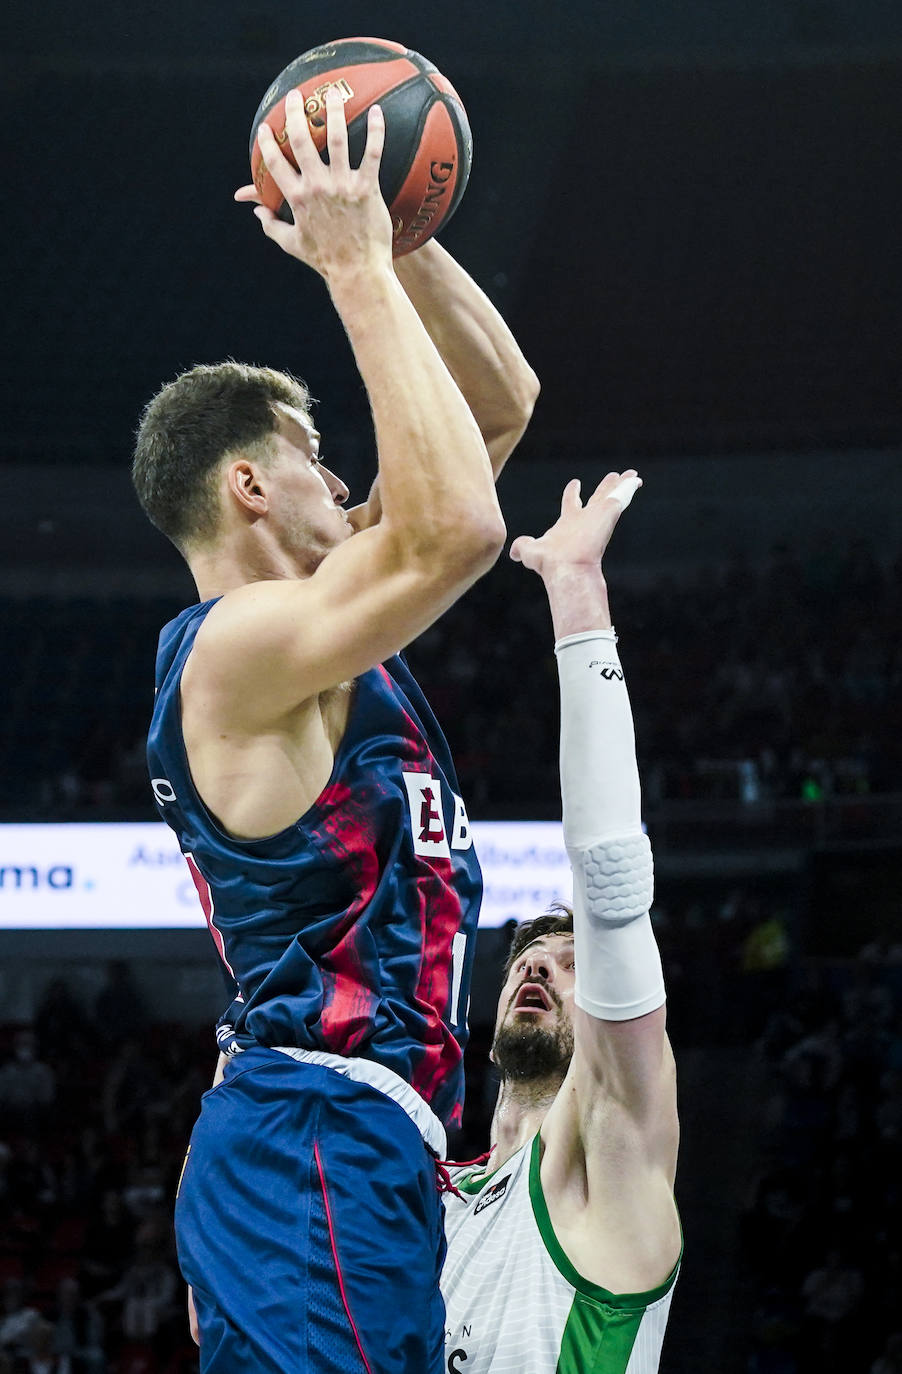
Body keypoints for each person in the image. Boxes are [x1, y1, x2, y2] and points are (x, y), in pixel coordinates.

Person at [131, 87, 537, 1374]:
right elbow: (458, 528)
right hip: (309, 1126)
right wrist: (352, 265)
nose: (348, 480)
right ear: (248, 483)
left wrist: (397, 239)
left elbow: (498, 413)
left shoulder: (322, 624)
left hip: (362, 1143)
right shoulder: (236, 651)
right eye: (315, 454)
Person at [442, 472, 681, 1372]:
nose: (537, 970)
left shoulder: (616, 1148)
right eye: (526, 962)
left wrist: (577, 594)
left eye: (566, 964)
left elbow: (612, 889)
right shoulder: (425, 1196)